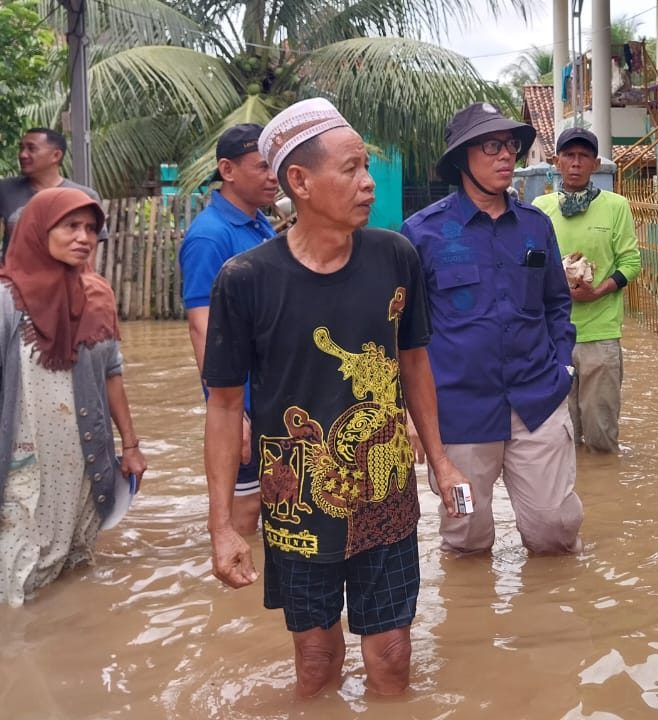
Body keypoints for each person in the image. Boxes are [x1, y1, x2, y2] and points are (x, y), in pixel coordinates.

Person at [201, 98, 468, 698]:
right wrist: (222, 525)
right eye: (350, 168)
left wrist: (442, 460)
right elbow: (222, 406)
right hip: (299, 503)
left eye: (366, 166)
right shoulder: (245, 280)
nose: (368, 181)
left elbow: (414, 361)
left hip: (385, 491)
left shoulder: (395, 257)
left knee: (394, 654)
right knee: (316, 659)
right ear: (300, 181)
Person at [401, 102, 583, 556]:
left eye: (510, 146)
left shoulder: (536, 228)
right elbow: (400, 334)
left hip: (537, 402)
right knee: (465, 539)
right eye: (491, 146)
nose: (506, 156)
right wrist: (408, 413)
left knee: (555, 531)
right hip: (458, 418)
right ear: (463, 159)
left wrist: (562, 367)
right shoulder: (421, 235)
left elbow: (557, 304)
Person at [0, 188, 147, 607]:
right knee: (19, 577)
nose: (84, 237)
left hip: (84, 462)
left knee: (74, 572)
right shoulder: (7, 302)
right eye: (71, 226)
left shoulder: (94, 295)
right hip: (24, 468)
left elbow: (112, 373)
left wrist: (131, 446)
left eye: (90, 229)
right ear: (38, 230)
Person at [179, 124, 279, 536]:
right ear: (228, 170)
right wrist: (227, 410)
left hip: (272, 389)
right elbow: (202, 326)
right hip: (243, 395)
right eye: (262, 167)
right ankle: (233, 595)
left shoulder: (260, 226)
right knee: (246, 505)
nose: (274, 176)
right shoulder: (209, 236)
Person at [533, 128, 640, 454]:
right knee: (560, 435)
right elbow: (529, 264)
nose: (576, 163)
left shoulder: (616, 206)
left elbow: (631, 262)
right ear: (556, 162)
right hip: (553, 336)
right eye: (569, 156)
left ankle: (606, 491)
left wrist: (599, 291)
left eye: (583, 157)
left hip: (601, 336)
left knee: (601, 432)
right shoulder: (539, 208)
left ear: (595, 164)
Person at [0, 128, 108, 262]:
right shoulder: (5, 189)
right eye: (21, 148)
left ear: (56, 155)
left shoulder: (84, 196)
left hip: (64, 282)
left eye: (31, 149)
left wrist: (84, 281)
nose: (23, 154)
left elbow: (89, 255)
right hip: (13, 280)